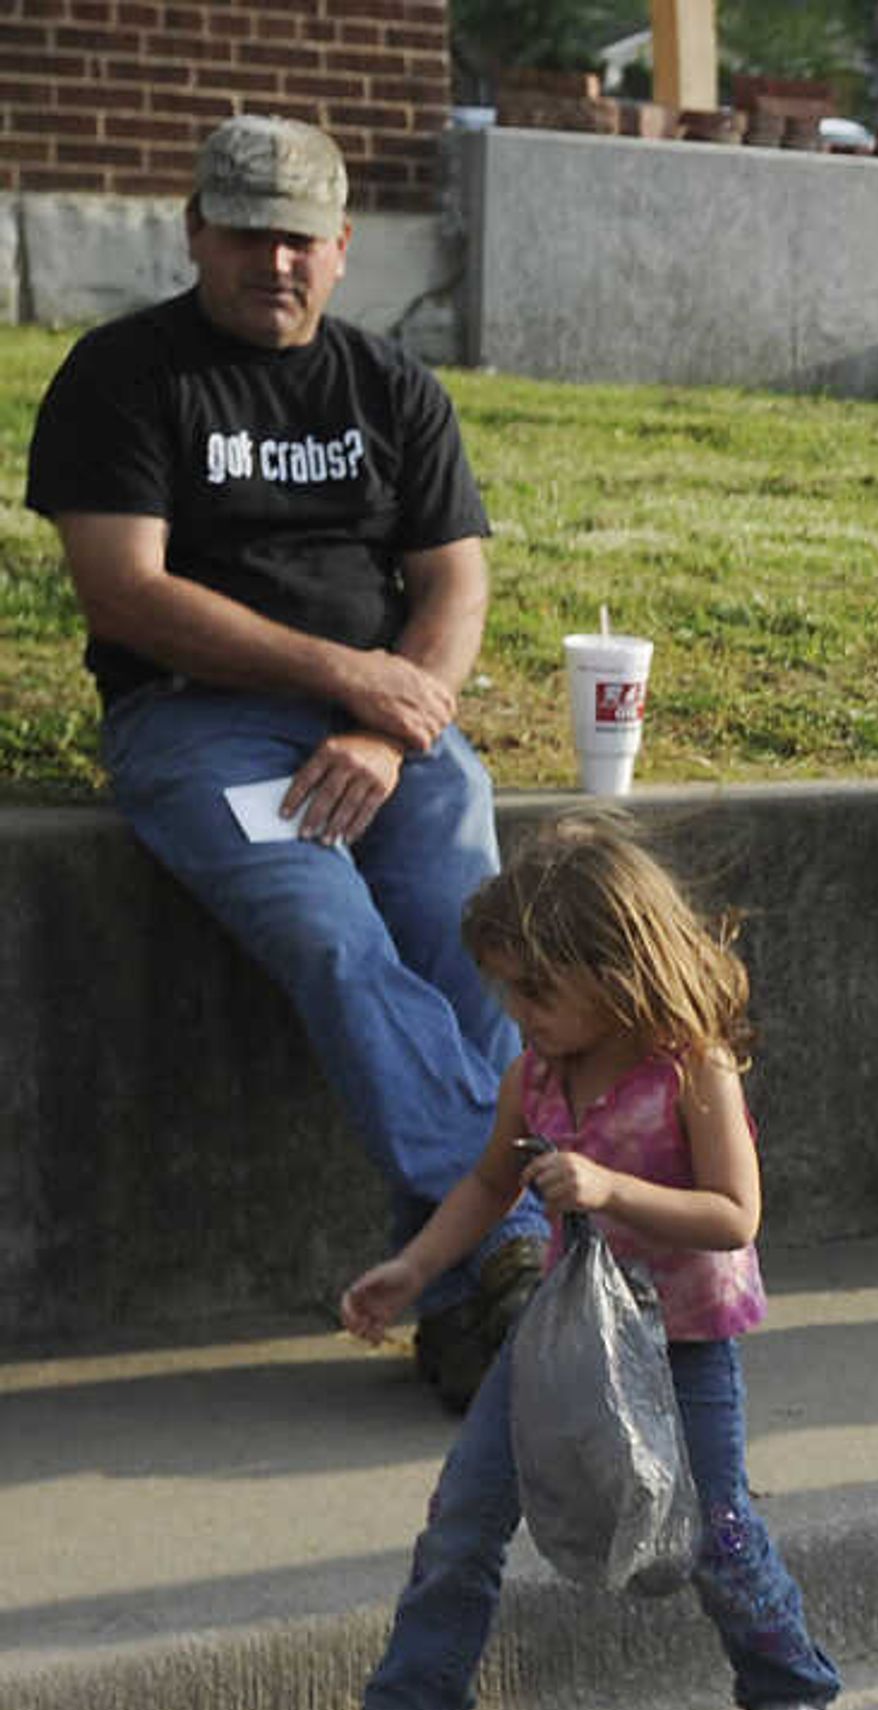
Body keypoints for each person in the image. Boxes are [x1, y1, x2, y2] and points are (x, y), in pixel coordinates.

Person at [22, 113, 543, 1409]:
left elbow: (455, 585)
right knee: (330, 941)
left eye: (301, 238)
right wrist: (341, 676)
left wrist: (385, 718)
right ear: (194, 231)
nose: (275, 262)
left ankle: (463, 1302)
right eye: (247, 234)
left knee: (472, 933)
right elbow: (123, 593)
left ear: (344, 246)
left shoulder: (389, 386)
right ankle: (515, 1246)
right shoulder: (125, 375)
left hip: (387, 730)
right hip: (199, 723)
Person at [327, 812, 840, 1710]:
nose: (520, 1012)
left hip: (681, 1338)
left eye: (538, 991)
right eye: (508, 991)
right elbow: (489, 1185)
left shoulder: (693, 1067)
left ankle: (788, 1680)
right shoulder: (536, 1074)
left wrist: (608, 1187)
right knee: (464, 1514)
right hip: (563, 1337)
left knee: (714, 1522)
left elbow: (735, 1213)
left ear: (616, 967)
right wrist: (417, 1268)